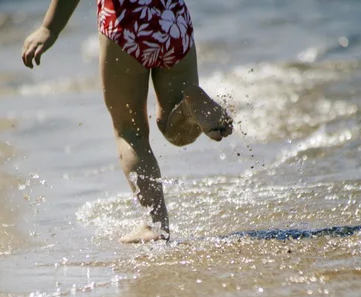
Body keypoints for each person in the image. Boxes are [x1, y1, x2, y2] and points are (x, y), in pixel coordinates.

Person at [22, 0, 233, 243]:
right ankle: (189, 107)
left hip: (125, 24)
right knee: (177, 131)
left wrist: (49, 29)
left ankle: (154, 224)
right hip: (172, 19)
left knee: (129, 131)